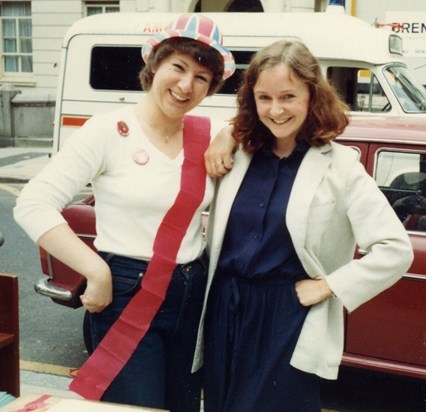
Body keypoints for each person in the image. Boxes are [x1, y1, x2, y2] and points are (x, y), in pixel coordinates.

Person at [14, 14, 235, 412]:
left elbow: (264, 124)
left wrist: (231, 133)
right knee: (136, 406)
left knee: (182, 404)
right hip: (128, 288)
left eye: (202, 78)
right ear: (154, 66)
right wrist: (95, 269)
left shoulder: (210, 132)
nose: (187, 86)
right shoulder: (107, 130)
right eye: (178, 67)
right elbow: (32, 203)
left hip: (191, 291)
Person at [195, 39, 414, 411]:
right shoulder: (239, 153)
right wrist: (228, 132)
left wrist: (329, 286)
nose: (275, 110)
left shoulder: (340, 165)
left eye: (288, 97)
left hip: (288, 316)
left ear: (313, 96)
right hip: (223, 307)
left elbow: (396, 249)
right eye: (264, 98)